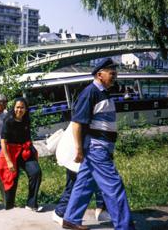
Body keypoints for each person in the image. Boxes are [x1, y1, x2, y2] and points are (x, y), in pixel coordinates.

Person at [62, 58, 135, 230]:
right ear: (99, 74)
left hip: (101, 147)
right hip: (96, 148)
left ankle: (71, 219)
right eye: (111, 73)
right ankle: (125, 226)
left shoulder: (104, 92)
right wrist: (79, 150)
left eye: (115, 72)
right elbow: (77, 123)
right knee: (114, 186)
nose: (114, 76)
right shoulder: (90, 92)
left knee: (85, 183)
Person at [0, 97, 42, 211]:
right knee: (12, 178)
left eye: (22, 107)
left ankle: (31, 204)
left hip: (24, 151)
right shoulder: (8, 121)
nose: (19, 110)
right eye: (17, 107)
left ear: (26, 109)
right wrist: (8, 161)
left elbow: (27, 137)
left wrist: (32, 151)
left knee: (35, 172)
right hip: (10, 152)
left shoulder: (26, 120)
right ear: (14, 108)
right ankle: (10, 207)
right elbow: (3, 142)